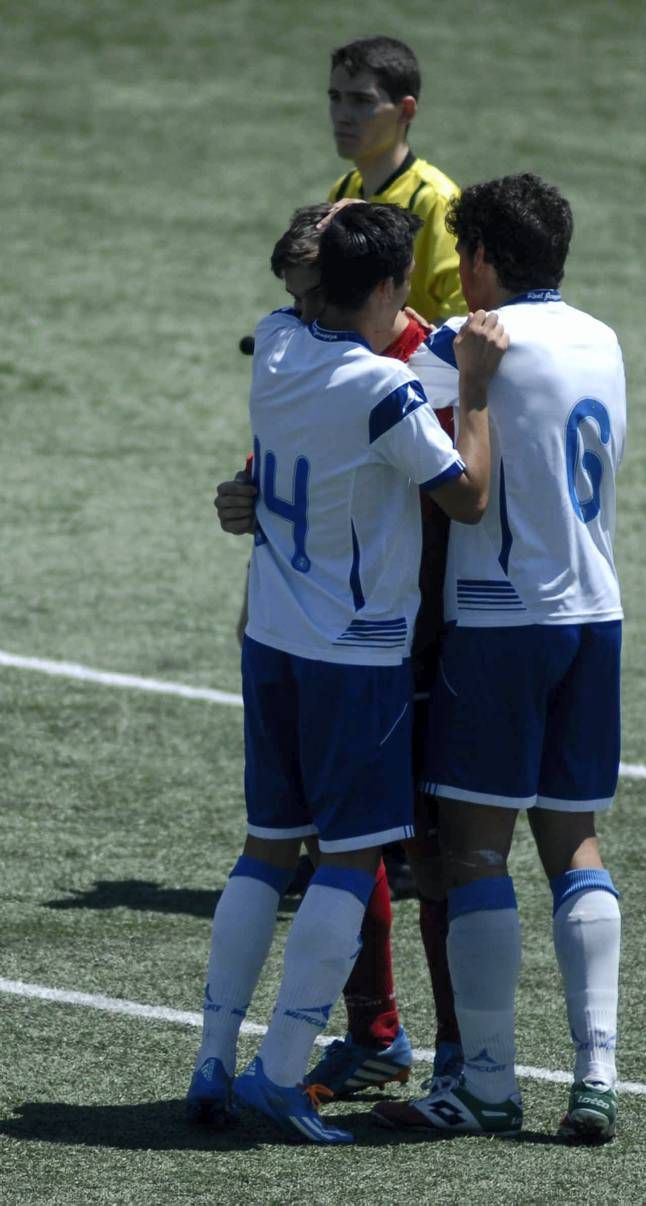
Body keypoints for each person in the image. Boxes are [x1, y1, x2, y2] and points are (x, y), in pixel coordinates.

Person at [187, 202, 507, 1145]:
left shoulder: (280, 343)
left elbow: (304, 293)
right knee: (352, 856)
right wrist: (477, 392)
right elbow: (470, 496)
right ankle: (278, 1074)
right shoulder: (381, 393)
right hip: (355, 657)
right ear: (381, 289)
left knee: (264, 849)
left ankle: (211, 1062)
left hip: (273, 643)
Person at [371, 173, 626, 1141]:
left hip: (498, 620)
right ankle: (596, 1075)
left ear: (478, 259)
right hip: (593, 614)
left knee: (476, 852)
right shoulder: (601, 338)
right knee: (575, 846)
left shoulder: (467, 346)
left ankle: (485, 1084)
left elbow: (374, 377)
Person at [327, 35, 463, 324]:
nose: (342, 116)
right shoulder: (342, 190)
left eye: (362, 101)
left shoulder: (436, 201)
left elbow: (460, 320)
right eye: (335, 98)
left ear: (407, 110)